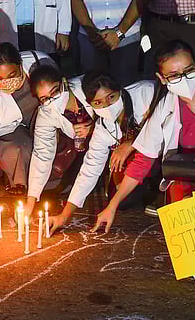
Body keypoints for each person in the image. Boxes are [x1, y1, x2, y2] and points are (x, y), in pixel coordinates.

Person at [90, 40, 195, 233]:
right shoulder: (164, 106)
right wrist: (112, 206)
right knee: (192, 225)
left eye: (189, 70)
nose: (184, 79)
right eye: (174, 75)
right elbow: (144, 159)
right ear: (161, 78)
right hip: (187, 175)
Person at [45, 70, 158, 233]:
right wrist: (65, 215)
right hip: (140, 160)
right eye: (98, 103)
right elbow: (89, 170)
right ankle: (146, 187)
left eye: (111, 97)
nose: (107, 106)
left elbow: (161, 129)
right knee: (123, 199)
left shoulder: (146, 93)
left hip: (169, 148)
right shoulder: (102, 127)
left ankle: (162, 191)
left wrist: (131, 144)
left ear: (119, 89)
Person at [0, 44, 55, 226]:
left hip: (44, 120)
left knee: (55, 150)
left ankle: (50, 186)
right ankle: (21, 185)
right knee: (18, 148)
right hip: (12, 133)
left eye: (12, 76)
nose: (6, 83)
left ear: (20, 66)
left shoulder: (41, 65)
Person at [24, 65, 95, 215]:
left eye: (55, 91)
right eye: (44, 98)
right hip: (82, 148)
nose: (52, 100)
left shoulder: (88, 86)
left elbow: (117, 113)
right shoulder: (46, 112)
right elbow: (42, 153)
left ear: (63, 82)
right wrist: (31, 201)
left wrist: (94, 127)